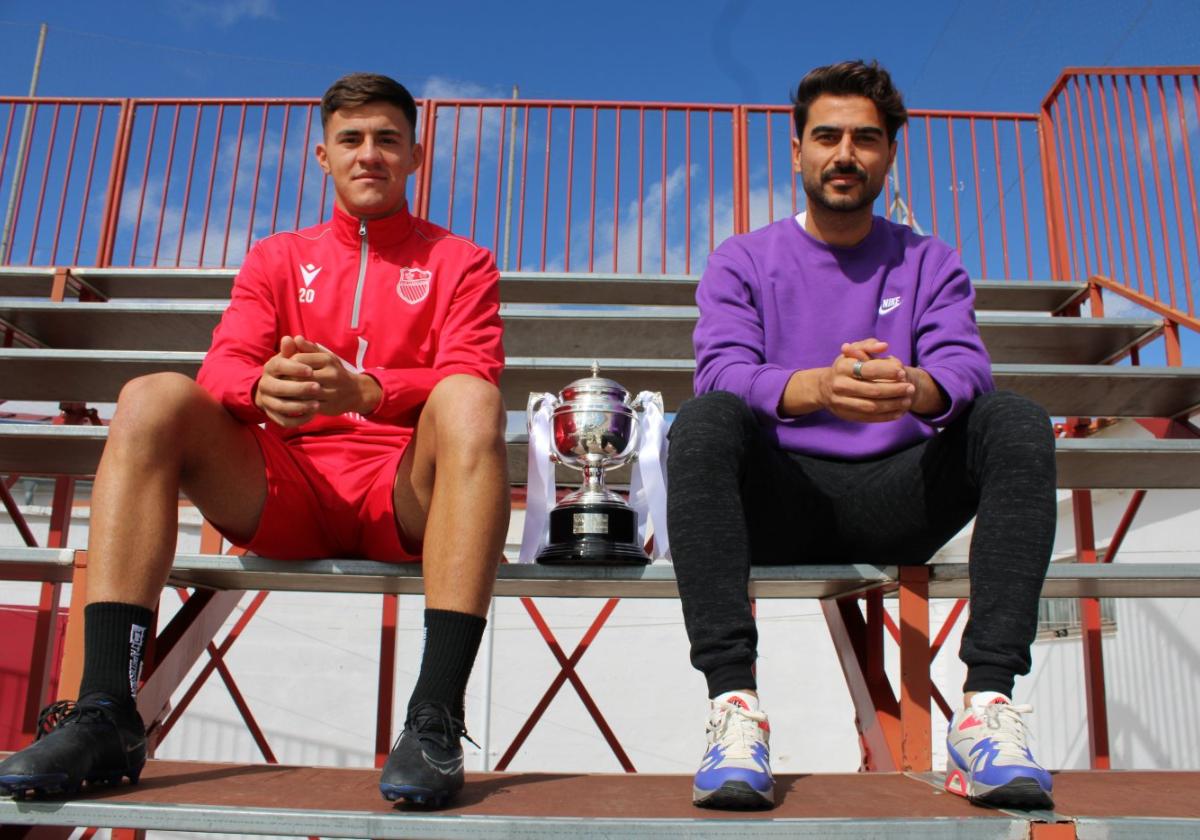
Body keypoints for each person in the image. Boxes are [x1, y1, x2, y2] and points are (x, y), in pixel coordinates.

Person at [0, 73, 508, 810]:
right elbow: (226, 363)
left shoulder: (462, 261)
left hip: (403, 497)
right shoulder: (276, 256)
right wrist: (258, 390)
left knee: (471, 399)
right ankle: (106, 710)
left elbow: (472, 371)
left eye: (388, 140)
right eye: (352, 140)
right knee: (150, 397)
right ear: (322, 156)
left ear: (416, 157)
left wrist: (370, 390)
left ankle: (435, 716)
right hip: (283, 487)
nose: (370, 154)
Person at [667, 60, 1056, 812]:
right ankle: (734, 707)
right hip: (780, 500)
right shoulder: (741, 259)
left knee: (1016, 418)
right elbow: (720, 371)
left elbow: (966, 368)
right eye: (828, 136)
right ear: (797, 150)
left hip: (899, 495)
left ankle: (986, 709)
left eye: (865, 138)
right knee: (705, 421)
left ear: (888, 153)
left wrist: (915, 386)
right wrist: (816, 386)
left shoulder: (930, 260)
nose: (845, 153)